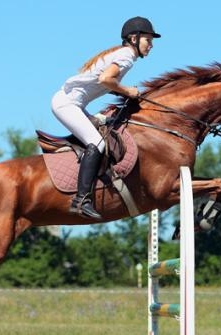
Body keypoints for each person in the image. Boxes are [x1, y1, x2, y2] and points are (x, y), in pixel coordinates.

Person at [50, 16, 160, 220]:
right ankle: (81, 200)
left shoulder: (122, 54)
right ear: (134, 38)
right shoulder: (126, 56)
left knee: (104, 129)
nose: (151, 45)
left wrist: (126, 93)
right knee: (97, 143)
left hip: (73, 104)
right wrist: (127, 90)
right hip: (67, 104)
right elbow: (105, 79)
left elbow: (100, 84)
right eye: (148, 40)